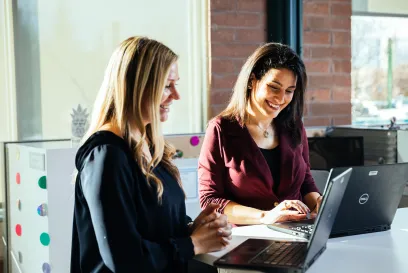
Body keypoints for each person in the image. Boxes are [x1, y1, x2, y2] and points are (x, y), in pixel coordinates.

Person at [70, 36, 232, 273]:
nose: (176, 95)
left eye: (176, 84)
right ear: (136, 86)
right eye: (167, 85)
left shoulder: (149, 146)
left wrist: (193, 229)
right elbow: (124, 260)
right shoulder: (107, 156)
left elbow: (151, 229)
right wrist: (194, 243)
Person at [198, 43, 322, 226]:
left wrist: (320, 204)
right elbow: (210, 200)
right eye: (274, 87)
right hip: (244, 242)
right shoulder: (221, 130)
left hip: (294, 235)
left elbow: (304, 179)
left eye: (289, 91)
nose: (281, 99)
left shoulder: (294, 127)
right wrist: (266, 216)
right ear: (252, 81)